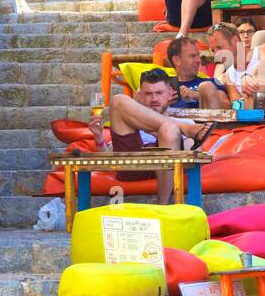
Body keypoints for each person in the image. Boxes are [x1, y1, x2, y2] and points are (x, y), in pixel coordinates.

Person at [88, 69, 215, 204]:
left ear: (170, 94)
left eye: (159, 93)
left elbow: (194, 156)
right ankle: (183, 130)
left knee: (169, 129)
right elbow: (108, 164)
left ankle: (162, 206)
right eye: (148, 94)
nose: (154, 99)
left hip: (169, 165)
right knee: (117, 100)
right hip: (135, 166)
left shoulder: (188, 122)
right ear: (140, 96)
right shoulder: (130, 119)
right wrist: (99, 137)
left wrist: (162, 134)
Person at [165, 35, 230, 110]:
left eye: (198, 56)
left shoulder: (211, 83)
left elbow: (227, 106)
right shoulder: (164, 87)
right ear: (176, 60)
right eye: (192, 56)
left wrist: (198, 96)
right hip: (173, 121)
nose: (198, 60)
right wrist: (162, 105)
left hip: (205, 121)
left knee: (207, 86)